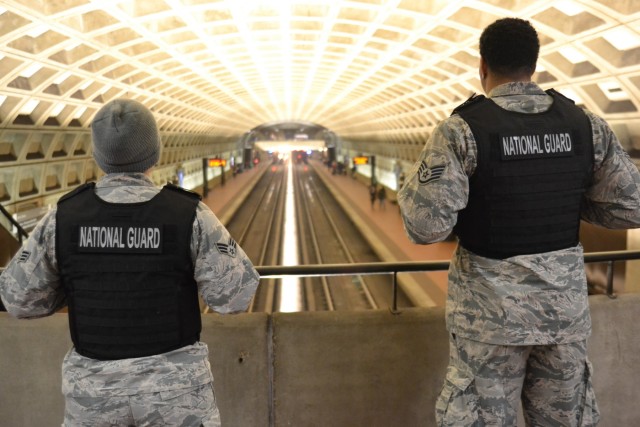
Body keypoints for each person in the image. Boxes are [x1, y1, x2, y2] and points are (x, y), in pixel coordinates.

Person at [398, 18, 640, 427]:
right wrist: (570, 201)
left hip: (490, 321)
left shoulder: (462, 130)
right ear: (534, 63)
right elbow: (630, 207)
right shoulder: (585, 126)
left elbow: (426, 228)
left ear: (482, 66)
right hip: (563, 319)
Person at [0, 99, 260, 427]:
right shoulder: (188, 214)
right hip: (177, 396)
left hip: (94, 397)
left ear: (98, 157)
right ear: (155, 154)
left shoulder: (63, 218)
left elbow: (17, 300)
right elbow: (234, 298)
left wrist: (69, 286)